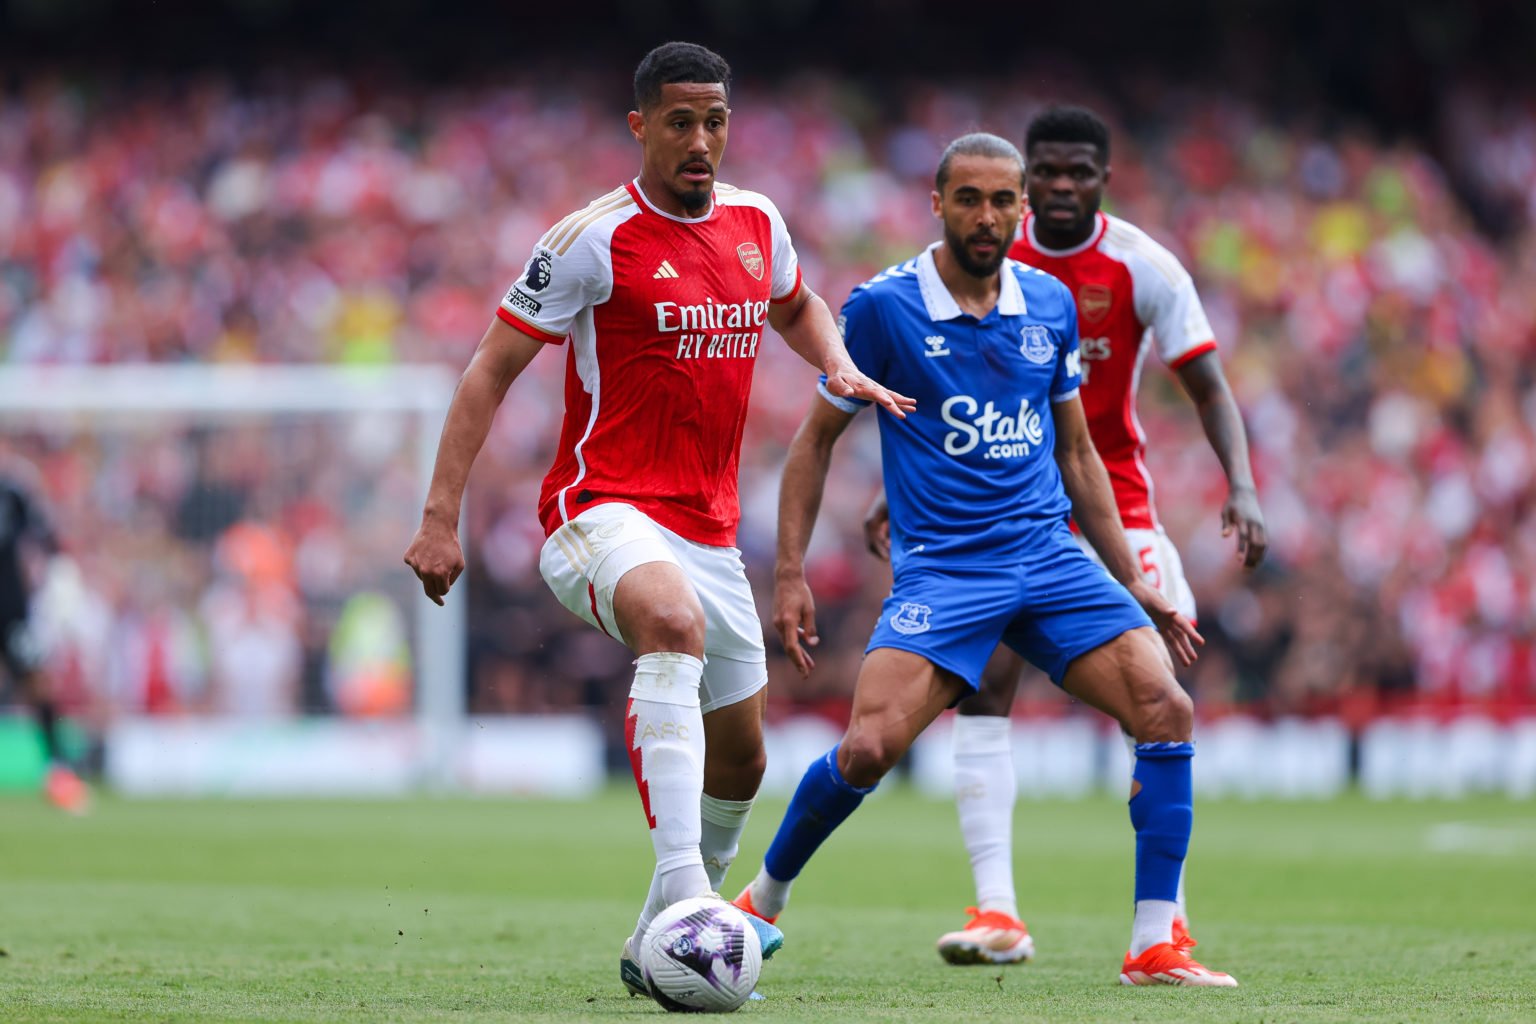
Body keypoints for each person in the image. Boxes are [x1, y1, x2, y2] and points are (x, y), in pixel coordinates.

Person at [401, 41, 913, 999]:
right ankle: (691, 903)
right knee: (669, 625)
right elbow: (488, 371)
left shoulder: (759, 221)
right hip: (599, 511)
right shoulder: (591, 239)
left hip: (709, 531)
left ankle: (657, 942)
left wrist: (835, 362)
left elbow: (796, 305)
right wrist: (440, 519)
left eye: (715, 120)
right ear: (640, 126)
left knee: (746, 757)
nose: (701, 140)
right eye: (680, 121)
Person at [732, 132, 1237, 986]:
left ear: (1022, 210)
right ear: (938, 203)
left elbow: (1078, 457)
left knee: (1164, 706)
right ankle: (760, 902)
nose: (987, 215)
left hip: (1051, 559)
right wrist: (789, 573)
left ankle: (1155, 943)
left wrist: (1132, 578)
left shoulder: (1047, 303)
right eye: (969, 198)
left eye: (1004, 201)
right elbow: (814, 443)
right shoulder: (884, 308)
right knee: (866, 750)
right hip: (947, 570)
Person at [863, 105, 1268, 967]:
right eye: (1042, 172)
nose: (1054, 188)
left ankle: (1165, 929)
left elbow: (1207, 383)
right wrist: (890, 491)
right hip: (1002, 519)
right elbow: (937, 397)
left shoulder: (1140, 265)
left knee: (1155, 697)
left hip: (1113, 504)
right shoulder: (981, 254)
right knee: (988, 685)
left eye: (1074, 173)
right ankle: (997, 910)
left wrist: (1241, 483)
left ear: (1102, 180)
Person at [0, 451, 89, 814]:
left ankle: (58, 770)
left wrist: (55, 579)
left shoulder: (12, 492)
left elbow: (47, 538)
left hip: (10, 610)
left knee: (37, 682)